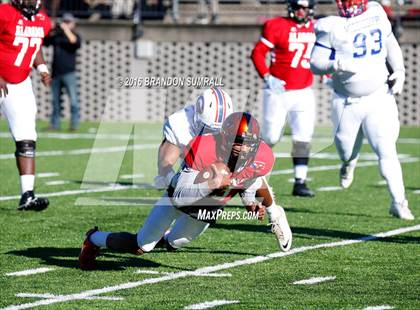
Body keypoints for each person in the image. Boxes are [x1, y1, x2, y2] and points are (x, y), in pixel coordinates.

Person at [79, 112, 293, 270]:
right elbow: (181, 197)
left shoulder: (262, 157)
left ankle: (276, 213)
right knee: (141, 246)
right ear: (226, 139)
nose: (245, 149)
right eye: (239, 143)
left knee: (174, 243)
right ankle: (94, 238)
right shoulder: (203, 147)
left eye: (249, 144)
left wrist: (250, 204)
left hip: (209, 207)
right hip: (178, 197)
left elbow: (249, 180)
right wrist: (211, 183)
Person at [310, 0, 414, 220]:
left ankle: (399, 202)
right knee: (345, 151)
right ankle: (349, 163)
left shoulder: (376, 13)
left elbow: (390, 43)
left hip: (379, 97)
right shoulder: (330, 25)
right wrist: (335, 64)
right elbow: (315, 63)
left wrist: (400, 70)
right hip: (346, 102)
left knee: (386, 150)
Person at [251, 0, 317, 198]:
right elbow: (257, 52)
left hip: (303, 91)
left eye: (304, 7)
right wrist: (267, 76)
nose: (300, 11)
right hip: (277, 91)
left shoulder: (317, 28)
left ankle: (300, 182)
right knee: (270, 137)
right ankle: (252, 177)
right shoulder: (276, 25)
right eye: (297, 7)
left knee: (303, 136)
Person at [0, 0, 52, 211]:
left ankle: (27, 195)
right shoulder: (4, 12)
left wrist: (41, 67)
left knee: (26, 139)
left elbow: (34, 44)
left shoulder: (42, 20)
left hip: (19, 83)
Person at [154, 87, 234, 190]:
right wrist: (173, 182)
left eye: (217, 131)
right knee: (164, 180)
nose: (211, 135)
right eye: (208, 129)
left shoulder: (233, 126)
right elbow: (165, 163)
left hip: (216, 157)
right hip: (190, 158)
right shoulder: (180, 123)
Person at [44, 13, 81, 131]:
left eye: (68, 22)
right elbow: (45, 41)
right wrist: (52, 27)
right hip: (56, 73)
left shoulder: (75, 35)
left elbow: (74, 42)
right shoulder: (57, 36)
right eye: (64, 21)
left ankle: (74, 125)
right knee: (55, 101)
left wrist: (66, 29)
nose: (66, 24)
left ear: (73, 24)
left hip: (69, 73)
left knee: (73, 100)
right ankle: (55, 124)